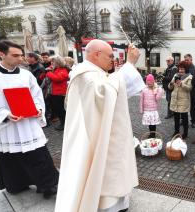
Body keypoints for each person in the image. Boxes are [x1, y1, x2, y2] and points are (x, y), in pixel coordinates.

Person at [55, 40, 145, 212]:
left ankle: (118, 203)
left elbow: (111, 89)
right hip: (97, 137)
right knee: (106, 171)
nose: (112, 60)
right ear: (96, 54)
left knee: (114, 168)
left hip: (108, 131)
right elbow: (105, 93)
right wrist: (130, 64)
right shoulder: (85, 75)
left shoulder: (94, 72)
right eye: (110, 56)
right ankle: (107, 206)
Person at [0, 40, 59, 199]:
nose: (21, 59)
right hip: (6, 126)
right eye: (15, 55)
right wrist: (4, 114)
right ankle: (16, 184)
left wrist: (38, 109)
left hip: (28, 124)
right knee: (9, 157)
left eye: (22, 55)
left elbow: (37, 95)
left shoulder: (26, 75)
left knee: (38, 155)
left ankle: (49, 185)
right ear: (1, 54)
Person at [168, 61, 193, 139]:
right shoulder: (176, 75)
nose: (181, 70)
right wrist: (171, 84)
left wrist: (181, 84)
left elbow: (189, 88)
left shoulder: (189, 77)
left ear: (186, 69)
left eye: (182, 69)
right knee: (176, 118)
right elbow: (170, 88)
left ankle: (185, 133)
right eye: (180, 69)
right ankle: (176, 131)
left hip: (184, 101)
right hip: (175, 100)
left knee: (184, 118)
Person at [45, 56, 69, 131]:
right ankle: (62, 122)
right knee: (57, 109)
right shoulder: (55, 69)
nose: (51, 63)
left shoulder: (63, 70)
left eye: (53, 62)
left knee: (61, 109)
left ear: (58, 62)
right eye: (51, 61)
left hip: (60, 93)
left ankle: (64, 123)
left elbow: (57, 78)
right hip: (54, 93)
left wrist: (48, 73)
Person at [184, 54, 195, 128]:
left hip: (192, 91)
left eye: (187, 60)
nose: (186, 61)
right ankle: (184, 120)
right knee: (184, 105)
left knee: (192, 107)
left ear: (191, 60)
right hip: (184, 90)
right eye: (185, 60)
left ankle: (193, 121)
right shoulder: (184, 67)